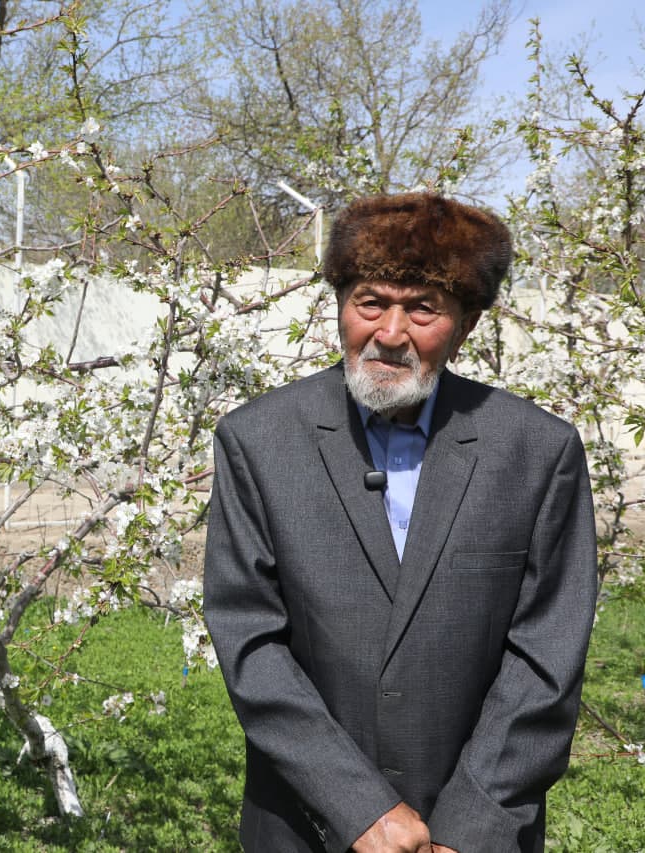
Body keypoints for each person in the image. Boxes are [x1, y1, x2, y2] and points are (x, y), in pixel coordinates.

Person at [203, 192, 598, 853]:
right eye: (371, 302)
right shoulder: (259, 442)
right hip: (305, 826)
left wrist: (470, 828)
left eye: (422, 308)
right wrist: (361, 808)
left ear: (467, 322)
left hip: (477, 831)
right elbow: (250, 642)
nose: (390, 332)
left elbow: (547, 656)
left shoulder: (536, 452)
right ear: (339, 304)